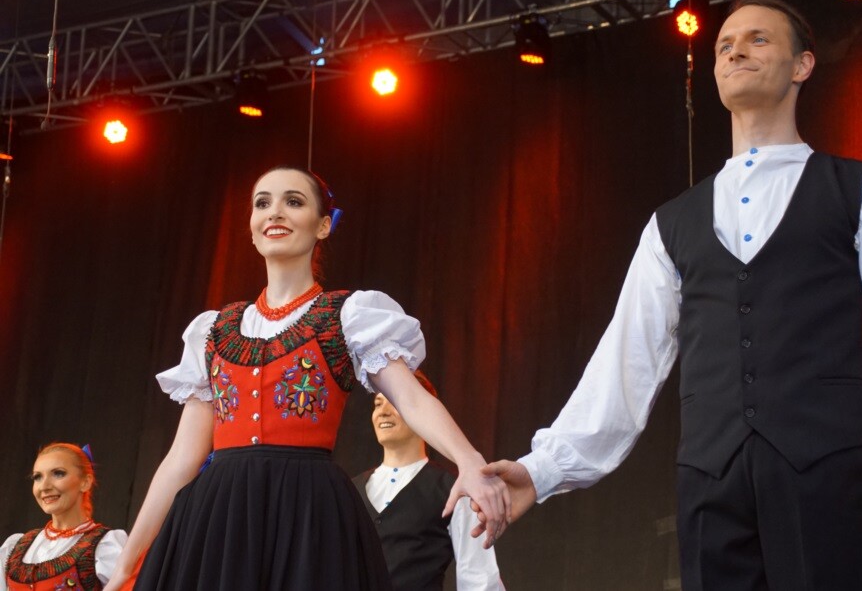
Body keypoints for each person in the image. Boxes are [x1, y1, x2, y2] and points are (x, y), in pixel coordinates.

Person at [478, 0, 862, 590]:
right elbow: (626, 361)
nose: (735, 51)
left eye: (757, 39)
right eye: (723, 45)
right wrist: (543, 469)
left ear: (802, 65)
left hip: (821, 469)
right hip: (710, 481)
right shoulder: (671, 224)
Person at [102, 166, 509, 591]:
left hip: (306, 514)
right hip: (220, 519)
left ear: (323, 226)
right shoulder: (213, 330)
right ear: (252, 228)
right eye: (262, 203)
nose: (274, 212)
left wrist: (469, 461)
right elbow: (181, 459)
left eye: (293, 202)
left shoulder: (347, 316)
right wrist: (125, 569)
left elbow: (413, 400)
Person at [353, 369, 505, 591]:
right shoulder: (350, 490)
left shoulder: (454, 490)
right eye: (377, 404)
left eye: (393, 402)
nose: (383, 412)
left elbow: (479, 579)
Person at [1, 443, 127, 591]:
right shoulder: (16, 546)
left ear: (85, 482)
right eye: (37, 477)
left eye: (58, 473)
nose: (44, 486)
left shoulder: (105, 547)